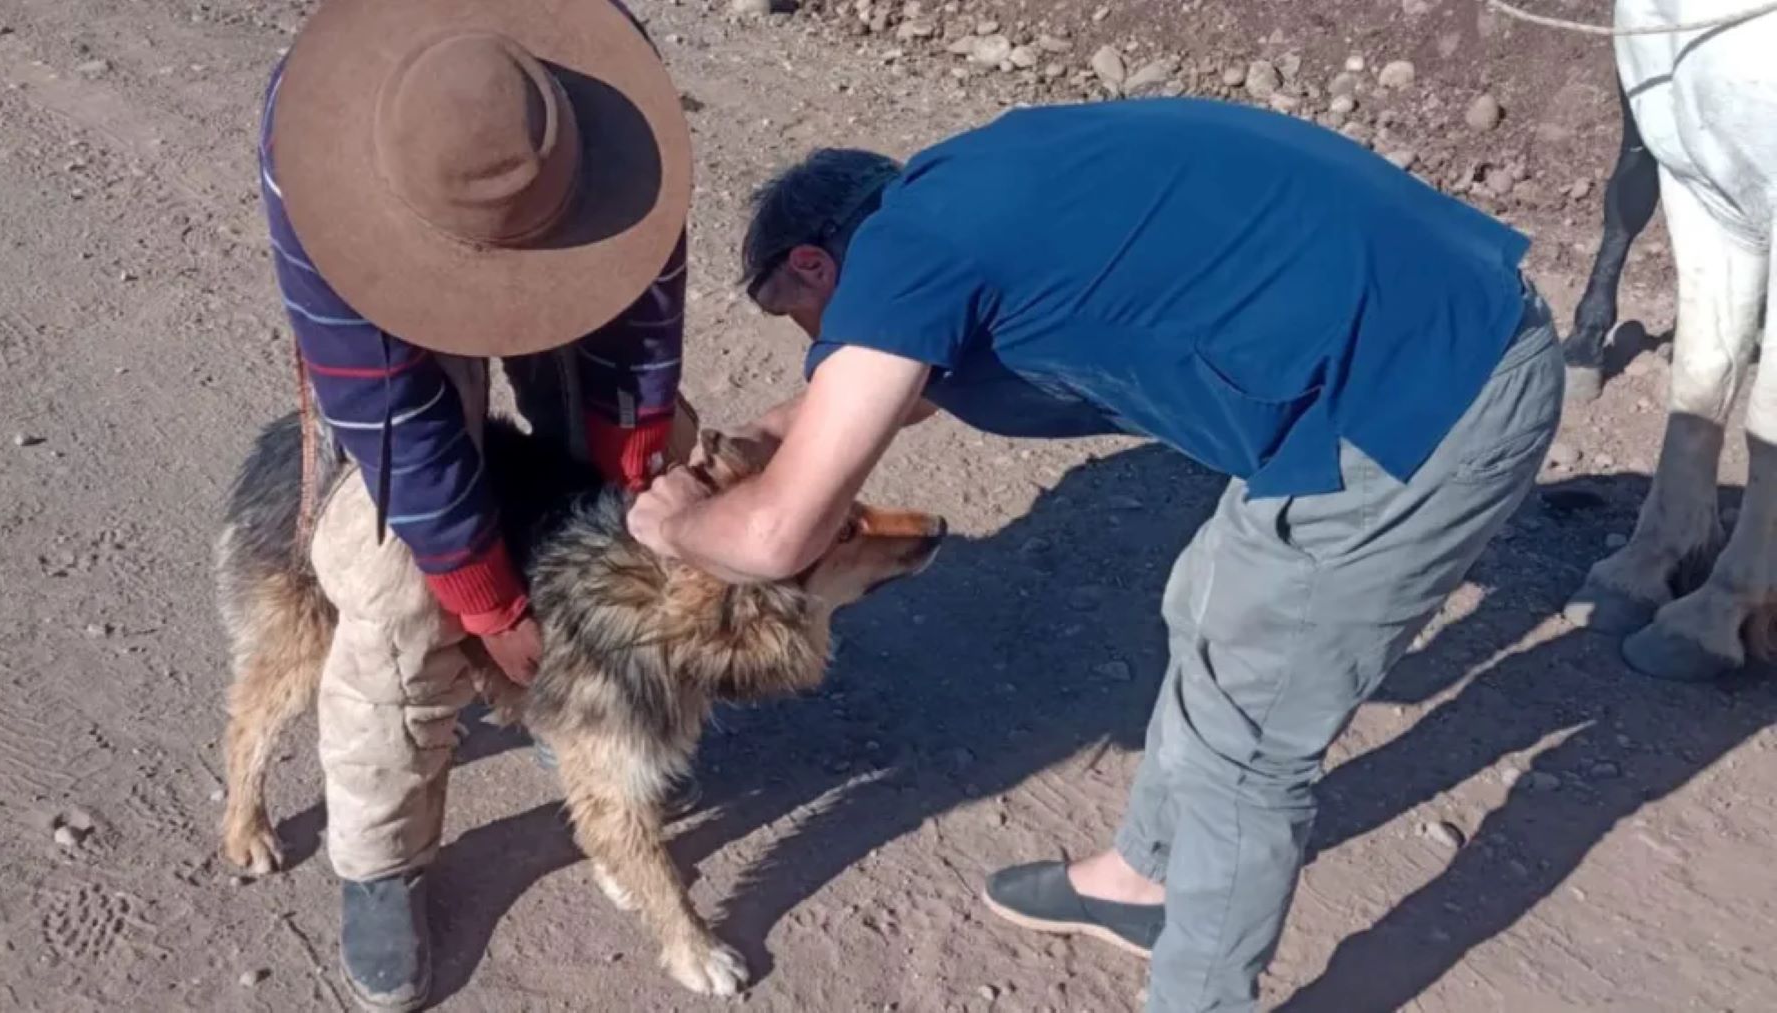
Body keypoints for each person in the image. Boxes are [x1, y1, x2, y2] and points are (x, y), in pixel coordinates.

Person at [626, 100, 1563, 1012]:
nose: (818, 348)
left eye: (802, 317)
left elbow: (774, 539)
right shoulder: (956, 193)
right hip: (1413, 335)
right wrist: (759, 438)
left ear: (812, 260)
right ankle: (1142, 882)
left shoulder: (899, 260)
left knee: (1249, 741)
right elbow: (899, 384)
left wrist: (669, 526)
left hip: (1425, 398)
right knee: (1207, 600)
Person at [258, 0, 694, 1007]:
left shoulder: (612, 90)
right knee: (394, 582)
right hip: (394, 239)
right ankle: (379, 856)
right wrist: (489, 600)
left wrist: (626, 474)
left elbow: (644, 316)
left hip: (571, 213)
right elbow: (391, 410)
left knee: (648, 462)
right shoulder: (313, 151)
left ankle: (583, 703)